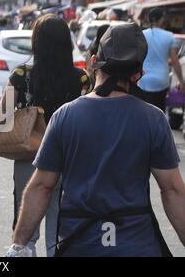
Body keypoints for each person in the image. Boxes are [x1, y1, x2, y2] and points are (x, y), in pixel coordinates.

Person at [9, 23, 185, 257]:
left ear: (93, 62)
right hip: (138, 246)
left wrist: (19, 245)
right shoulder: (153, 119)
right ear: (138, 74)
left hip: (79, 246)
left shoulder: (65, 116)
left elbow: (41, 186)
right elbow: (172, 189)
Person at [0, 14, 91, 257]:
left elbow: (1, 115)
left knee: (25, 234)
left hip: (30, 158)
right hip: (69, 159)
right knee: (59, 233)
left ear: (36, 43)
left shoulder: (22, 75)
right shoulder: (81, 78)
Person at [139, 8, 185, 112]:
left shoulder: (142, 34)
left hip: (144, 79)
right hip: (161, 80)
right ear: (160, 20)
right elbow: (175, 61)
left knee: (144, 112)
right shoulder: (169, 36)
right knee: (159, 112)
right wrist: (181, 81)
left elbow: (138, 56)